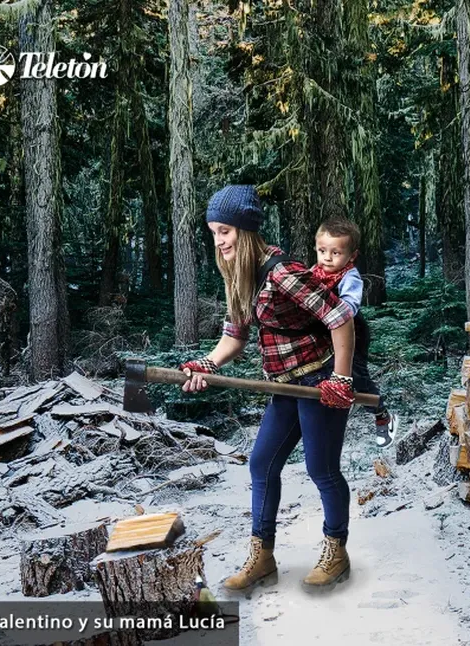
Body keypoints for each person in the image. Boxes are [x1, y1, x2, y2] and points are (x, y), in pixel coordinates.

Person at [179, 184, 356, 593]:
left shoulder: (282, 273)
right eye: (213, 231)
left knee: (321, 470)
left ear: (246, 229)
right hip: (286, 387)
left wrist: (341, 378)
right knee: (261, 464)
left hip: (319, 381)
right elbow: (234, 336)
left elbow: (340, 318)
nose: (219, 239)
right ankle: (263, 557)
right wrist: (206, 364)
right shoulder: (241, 274)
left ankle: (337, 551)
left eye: (225, 230)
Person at [311, 218, 397, 449]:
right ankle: (327, 427)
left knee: (354, 375)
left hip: (352, 332)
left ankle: (380, 412)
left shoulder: (350, 277)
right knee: (323, 375)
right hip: (323, 334)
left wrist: (326, 309)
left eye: (336, 253)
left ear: (352, 256)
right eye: (322, 251)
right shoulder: (312, 274)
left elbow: (349, 306)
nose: (327, 258)